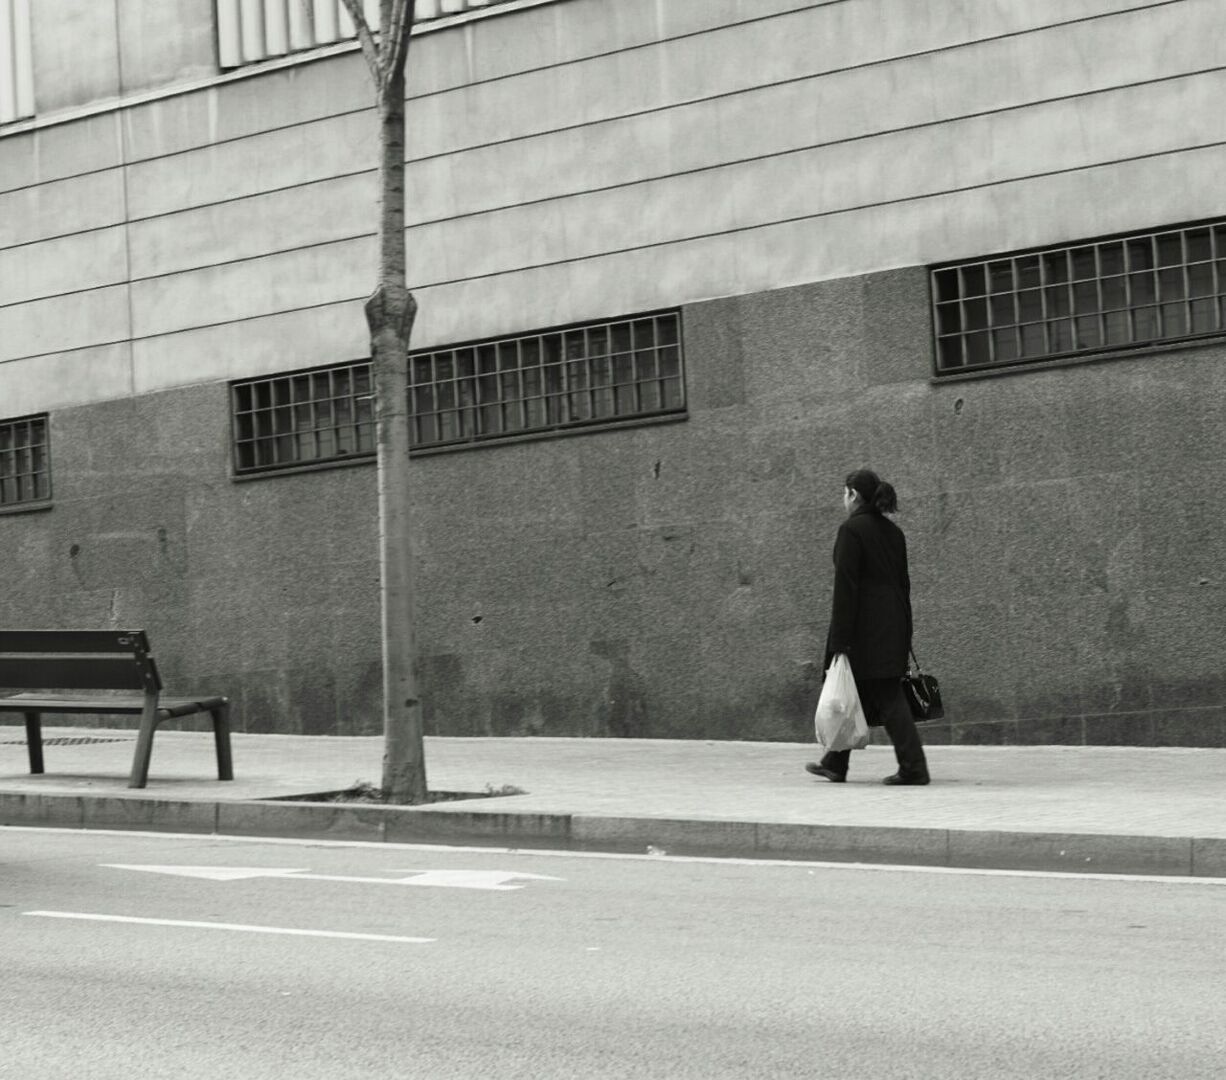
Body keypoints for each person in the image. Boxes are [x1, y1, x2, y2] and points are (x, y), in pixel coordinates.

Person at [806, 469, 930, 785]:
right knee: (857, 690)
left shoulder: (852, 531)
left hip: (865, 631)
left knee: (887, 696)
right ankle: (835, 761)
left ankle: (914, 767)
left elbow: (846, 588)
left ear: (852, 494)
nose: (842, 500)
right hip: (893, 625)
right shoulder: (893, 533)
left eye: (843, 493)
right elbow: (904, 586)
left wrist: (840, 640)